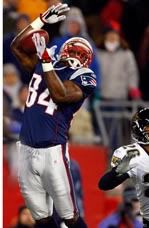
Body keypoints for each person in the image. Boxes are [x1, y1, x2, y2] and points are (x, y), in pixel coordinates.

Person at [11, 3, 96, 228]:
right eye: (73, 49)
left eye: (80, 53)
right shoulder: (44, 64)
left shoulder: (85, 77)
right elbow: (17, 47)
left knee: (69, 216)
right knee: (41, 218)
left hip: (53, 150)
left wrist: (46, 62)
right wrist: (40, 21)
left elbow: (60, 94)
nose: (74, 55)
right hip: (25, 149)